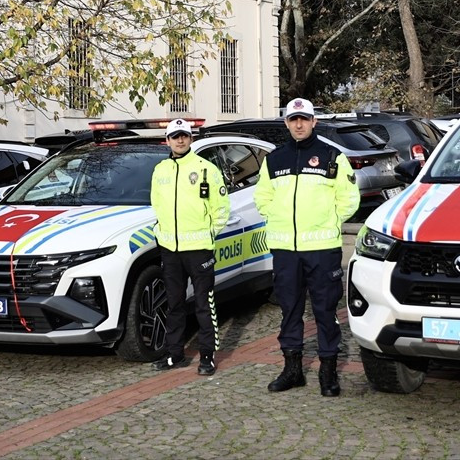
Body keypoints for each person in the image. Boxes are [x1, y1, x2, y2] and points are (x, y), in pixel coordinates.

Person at [253, 98, 359, 396]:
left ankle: (328, 372)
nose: (298, 124)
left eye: (304, 119)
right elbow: (262, 197)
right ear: (286, 123)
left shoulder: (331, 156)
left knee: (325, 311)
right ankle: (293, 370)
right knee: (290, 309)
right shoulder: (274, 159)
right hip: (285, 249)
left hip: (322, 248)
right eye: (293, 119)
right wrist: (276, 216)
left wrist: (327, 220)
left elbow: (349, 199)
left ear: (314, 121)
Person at [149, 118, 230, 375]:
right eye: (175, 136)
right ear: (168, 140)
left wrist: (208, 234)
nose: (180, 140)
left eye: (184, 135)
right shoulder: (160, 169)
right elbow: (156, 205)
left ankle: (207, 356)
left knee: (204, 304)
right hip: (170, 250)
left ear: (191, 139)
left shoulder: (206, 169)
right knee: (174, 304)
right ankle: (175, 355)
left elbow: (221, 210)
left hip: (199, 249)